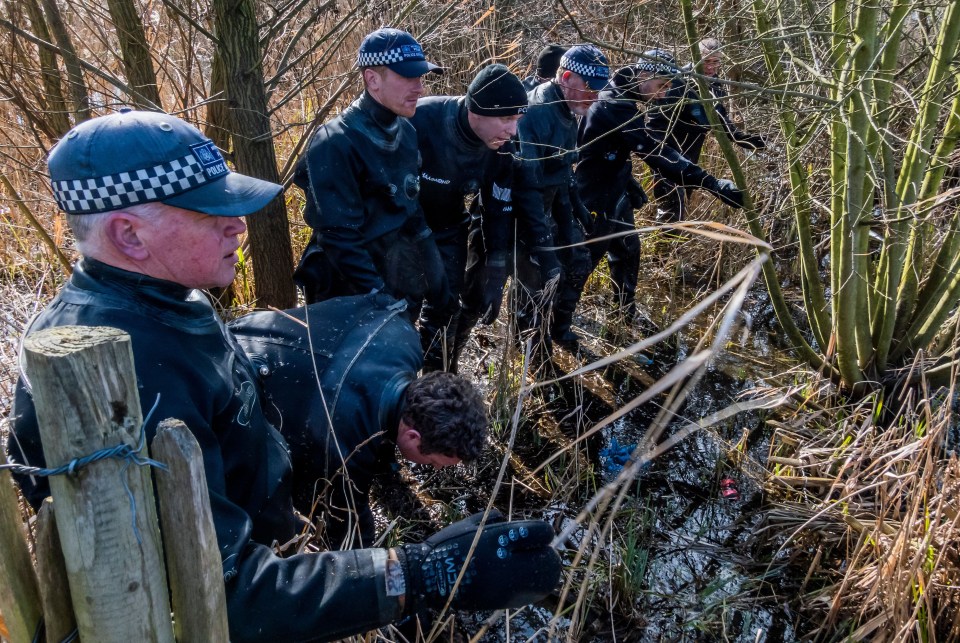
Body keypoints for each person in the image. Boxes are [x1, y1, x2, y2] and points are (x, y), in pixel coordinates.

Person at [5, 110, 562, 643]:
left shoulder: (168, 302)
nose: (238, 230)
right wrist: (424, 574)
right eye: (211, 214)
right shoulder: (122, 382)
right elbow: (223, 596)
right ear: (129, 235)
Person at [229, 294, 487, 549]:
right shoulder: (340, 445)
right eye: (434, 463)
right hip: (225, 373)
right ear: (413, 437)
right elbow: (342, 519)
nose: (437, 470)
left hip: (247, 327)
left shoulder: (403, 333)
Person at [559, 53, 748, 346]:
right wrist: (711, 183)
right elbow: (655, 151)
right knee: (582, 264)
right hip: (593, 196)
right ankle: (558, 329)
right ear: (643, 77)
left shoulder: (622, 92)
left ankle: (624, 311)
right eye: (660, 86)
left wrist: (626, 179)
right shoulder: (613, 103)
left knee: (628, 250)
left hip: (615, 188)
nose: (662, 95)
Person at [292, 28, 449, 312]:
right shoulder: (335, 142)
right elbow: (339, 237)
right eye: (407, 77)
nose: (420, 88)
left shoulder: (406, 132)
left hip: (396, 270)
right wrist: (379, 297)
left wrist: (434, 271)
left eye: (420, 76)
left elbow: (411, 210)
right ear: (372, 79)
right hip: (343, 289)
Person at [410, 63, 531, 372]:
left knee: (446, 309)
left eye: (517, 120)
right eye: (506, 118)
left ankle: (438, 381)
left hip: (449, 227)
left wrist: (496, 268)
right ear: (476, 111)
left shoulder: (503, 146)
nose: (512, 130)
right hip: (402, 229)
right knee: (402, 309)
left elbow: (497, 207)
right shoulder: (421, 120)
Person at [513, 44, 609, 351]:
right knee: (539, 278)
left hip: (553, 203)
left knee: (578, 260)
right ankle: (529, 347)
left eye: (599, 91)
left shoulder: (570, 108)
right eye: (590, 90)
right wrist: (543, 244)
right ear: (566, 77)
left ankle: (557, 330)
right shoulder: (536, 113)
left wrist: (579, 212)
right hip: (525, 212)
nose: (595, 98)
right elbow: (527, 182)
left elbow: (564, 170)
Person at [647, 38, 766, 222]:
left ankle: (670, 246)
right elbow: (655, 119)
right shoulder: (680, 82)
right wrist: (662, 152)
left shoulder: (715, 86)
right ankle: (664, 246)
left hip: (690, 157)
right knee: (671, 211)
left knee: (680, 209)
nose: (711, 67)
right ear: (696, 58)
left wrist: (742, 138)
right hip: (668, 155)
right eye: (706, 61)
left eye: (716, 61)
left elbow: (719, 117)